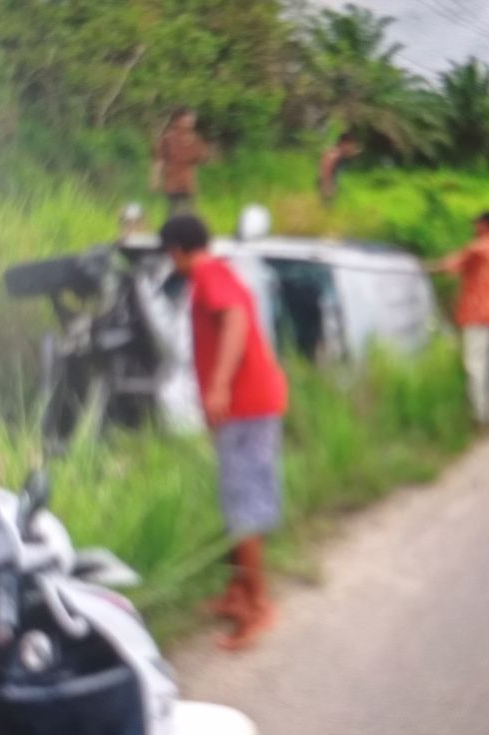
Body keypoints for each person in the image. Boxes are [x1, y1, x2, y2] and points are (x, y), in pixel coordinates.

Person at [158, 215, 288, 651]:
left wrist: (217, 385)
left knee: (243, 507)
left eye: (169, 255)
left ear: (176, 249)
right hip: (251, 407)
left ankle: (259, 608)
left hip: (245, 408)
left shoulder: (208, 273)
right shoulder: (218, 271)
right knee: (238, 502)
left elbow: (234, 320)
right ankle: (237, 593)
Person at [434, 211, 489, 427]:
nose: (475, 228)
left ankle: (480, 415)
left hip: (479, 313)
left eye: (477, 224)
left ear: (486, 226)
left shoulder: (479, 247)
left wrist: (425, 267)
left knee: (476, 364)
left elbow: (451, 265)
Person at [151, 108, 210, 216]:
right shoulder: (167, 139)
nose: (190, 123)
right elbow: (159, 160)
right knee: (173, 211)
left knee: (191, 211)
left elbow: (202, 159)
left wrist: (199, 150)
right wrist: (155, 178)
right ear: (177, 121)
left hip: (188, 183)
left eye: (191, 121)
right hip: (172, 182)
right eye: (186, 121)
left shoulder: (195, 139)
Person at [318, 133, 360, 206]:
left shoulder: (339, 154)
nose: (352, 148)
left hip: (331, 186)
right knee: (326, 210)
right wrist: (327, 187)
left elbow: (349, 155)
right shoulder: (333, 154)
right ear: (343, 143)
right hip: (327, 187)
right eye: (351, 145)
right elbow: (325, 170)